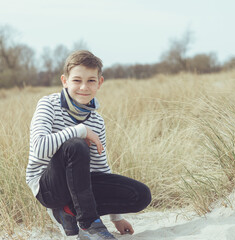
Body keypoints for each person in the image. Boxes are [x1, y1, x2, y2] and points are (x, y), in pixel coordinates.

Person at [26, 50, 151, 240]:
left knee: (140, 195)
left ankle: (68, 213)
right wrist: (80, 130)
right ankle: (88, 226)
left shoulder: (97, 121)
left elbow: (100, 168)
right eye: (77, 80)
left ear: (99, 83)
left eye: (91, 80)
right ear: (64, 81)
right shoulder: (48, 104)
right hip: (48, 187)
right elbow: (39, 148)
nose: (84, 87)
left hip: (78, 185)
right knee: (76, 145)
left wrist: (117, 218)